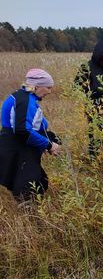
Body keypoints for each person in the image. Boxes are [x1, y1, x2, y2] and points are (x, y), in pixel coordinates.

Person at [0, 69, 61, 202]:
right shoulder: (24, 100)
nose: (50, 91)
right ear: (37, 86)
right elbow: (23, 131)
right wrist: (48, 145)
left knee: (39, 183)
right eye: (48, 87)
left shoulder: (26, 97)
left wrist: (50, 139)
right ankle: (28, 218)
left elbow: (35, 127)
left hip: (20, 147)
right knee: (27, 188)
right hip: (18, 149)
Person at [75, 40, 103, 155]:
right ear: (102, 54)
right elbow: (77, 88)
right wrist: (94, 96)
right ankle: (94, 160)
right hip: (94, 108)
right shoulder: (86, 67)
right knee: (95, 135)